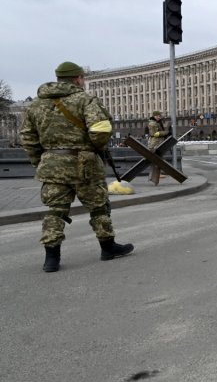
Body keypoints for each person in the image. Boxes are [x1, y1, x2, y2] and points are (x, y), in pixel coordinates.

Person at [20, 61, 134, 272]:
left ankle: (51, 259)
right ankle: (107, 247)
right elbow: (100, 130)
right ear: (78, 79)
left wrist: (41, 161)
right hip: (84, 166)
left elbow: (27, 137)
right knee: (98, 207)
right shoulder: (85, 99)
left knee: (55, 211)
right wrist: (94, 149)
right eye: (82, 78)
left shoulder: (36, 104)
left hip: (51, 165)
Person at [146, 110, 168, 185]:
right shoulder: (152, 123)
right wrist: (165, 133)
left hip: (158, 142)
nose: (159, 117)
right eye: (158, 116)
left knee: (158, 159)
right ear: (154, 116)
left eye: (160, 116)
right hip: (154, 143)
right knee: (157, 159)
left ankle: (155, 176)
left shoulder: (157, 122)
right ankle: (155, 177)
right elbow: (154, 134)